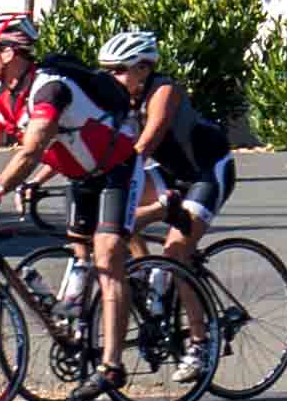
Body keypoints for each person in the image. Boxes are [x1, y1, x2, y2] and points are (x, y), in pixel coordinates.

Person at [0, 13, 144, 361]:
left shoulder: (50, 89)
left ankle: (112, 365)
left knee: (108, 256)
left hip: (118, 168)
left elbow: (32, 150)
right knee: (81, 256)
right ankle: (81, 338)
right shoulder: (3, 100)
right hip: (81, 177)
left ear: (7, 53)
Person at [97, 25, 238, 307]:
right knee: (114, 217)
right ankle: (147, 272)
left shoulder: (164, 90)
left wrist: (120, 169)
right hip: (173, 175)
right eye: (107, 70)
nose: (111, 77)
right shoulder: (121, 98)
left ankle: (200, 341)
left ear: (144, 68)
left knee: (174, 255)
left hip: (208, 173)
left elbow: (149, 139)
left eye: (119, 70)